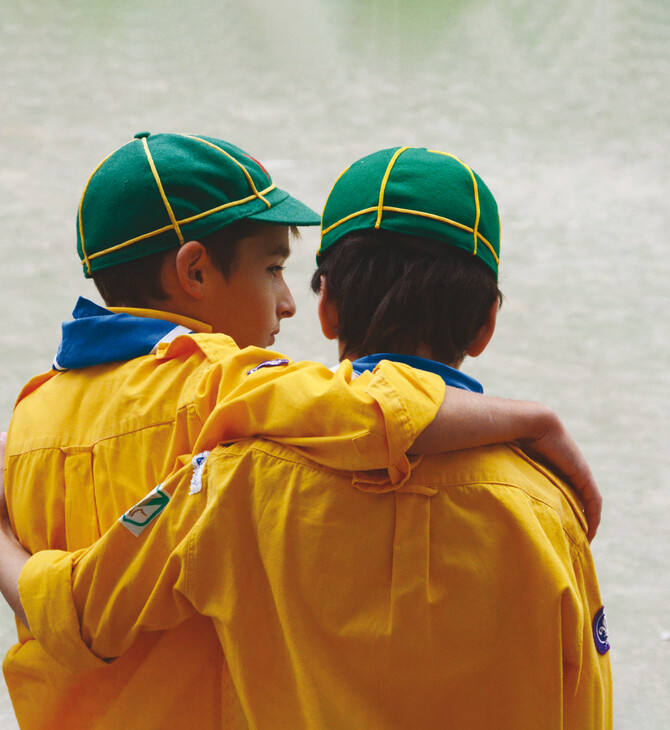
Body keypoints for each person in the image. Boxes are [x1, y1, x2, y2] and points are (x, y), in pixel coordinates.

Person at [0, 133, 600, 729]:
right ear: (486, 323)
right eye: (273, 268)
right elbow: (371, 409)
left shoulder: (36, 421)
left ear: (329, 305)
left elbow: (81, 609)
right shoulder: (231, 395)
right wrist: (533, 419)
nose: (286, 302)